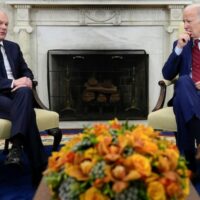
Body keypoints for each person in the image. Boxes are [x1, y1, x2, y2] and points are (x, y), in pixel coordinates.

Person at [0, 10, 47, 186]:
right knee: (28, 112)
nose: (4, 27)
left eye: (6, 24)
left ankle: (17, 148)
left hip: (18, 95)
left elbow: (26, 70)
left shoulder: (13, 47)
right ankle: (40, 168)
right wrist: (13, 83)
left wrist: (26, 80)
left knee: (25, 92)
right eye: (0, 23)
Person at [162, 4, 200, 179]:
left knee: (180, 103)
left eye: (189, 21)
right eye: (183, 21)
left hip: (191, 99)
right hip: (186, 95)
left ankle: (190, 162)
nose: (185, 25)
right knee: (184, 81)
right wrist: (178, 48)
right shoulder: (182, 45)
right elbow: (167, 74)